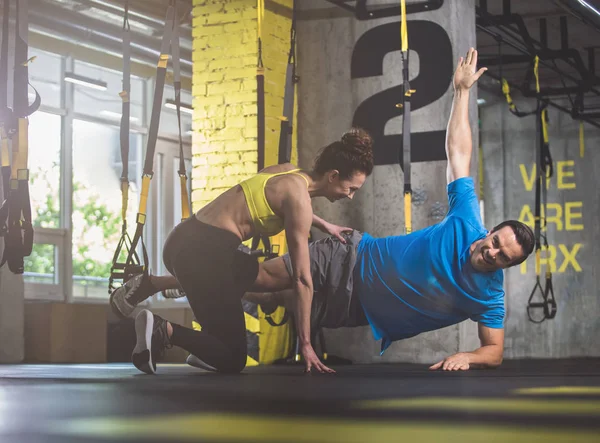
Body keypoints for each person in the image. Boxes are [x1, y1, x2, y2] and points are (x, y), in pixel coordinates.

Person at [218, 48, 536, 371]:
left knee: (277, 299)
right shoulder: (468, 220)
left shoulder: (489, 296)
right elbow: (458, 152)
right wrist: (462, 92)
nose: (494, 252)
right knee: (264, 279)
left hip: (355, 308)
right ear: (491, 231)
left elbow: (494, 351)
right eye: (497, 242)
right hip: (349, 259)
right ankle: (195, 272)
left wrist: (467, 356)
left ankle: (209, 281)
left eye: (504, 257)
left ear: (508, 266)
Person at [112, 128, 374, 375]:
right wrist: (306, 344)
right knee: (233, 357)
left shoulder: (286, 172)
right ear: (333, 175)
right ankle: (163, 330)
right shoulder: (300, 202)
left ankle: (153, 283)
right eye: (351, 189)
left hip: (184, 239)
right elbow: (302, 280)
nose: (350, 196)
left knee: (259, 276)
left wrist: (324, 224)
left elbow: (289, 206)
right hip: (204, 255)